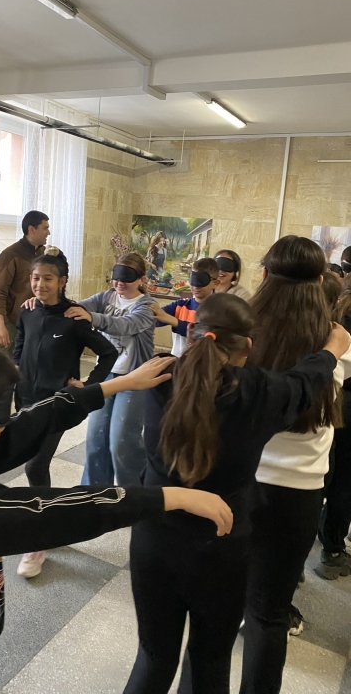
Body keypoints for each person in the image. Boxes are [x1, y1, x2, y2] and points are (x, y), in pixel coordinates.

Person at [0, 339, 234, 694]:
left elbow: (33, 420)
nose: (7, 418)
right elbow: (51, 511)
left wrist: (120, 383)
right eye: (0, 411)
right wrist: (167, 497)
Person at [123, 294, 349, 694]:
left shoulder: (160, 377)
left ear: (193, 333)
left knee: (153, 657)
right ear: (248, 346)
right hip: (221, 548)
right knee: (210, 660)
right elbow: (303, 383)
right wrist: (332, 350)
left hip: (153, 539)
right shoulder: (259, 393)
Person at [240, 236, 351, 694]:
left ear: (265, 275)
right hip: (298, 496)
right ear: (321, 281)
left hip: (236, 483)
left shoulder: (242, 333)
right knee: (269, 614)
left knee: (218, 603)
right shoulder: (337, 342)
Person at [13, 247, 118, 577]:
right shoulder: (28, 312)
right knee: (32, 463)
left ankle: (38, 538)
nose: (39, 284)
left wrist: (87, 385)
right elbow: (19, 347)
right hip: (26, 400)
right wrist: (14, 375)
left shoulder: (74, 318)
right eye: (35, 278)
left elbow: (108, 353)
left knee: (35, 464)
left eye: (47, 279)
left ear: (62, 281)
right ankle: (48, 518)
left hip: (58, 404)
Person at [65, 253, 156, 487]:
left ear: (142, 279)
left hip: (135, 379)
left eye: (127, 278)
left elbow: (125, 325)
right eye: (116, 277)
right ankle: (93, 493)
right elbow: (75, 307)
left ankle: (134, 495)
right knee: (95, 439)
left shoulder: (148, 307)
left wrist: (92, 318)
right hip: (106, 375)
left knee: (122, 443)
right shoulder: (106, 297)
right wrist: (42, 302)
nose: (119, 283)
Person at [317, 277, 351, 579]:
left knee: (325, 477)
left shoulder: (337, 314)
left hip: (331, 403)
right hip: (342, 403)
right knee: (343, 481)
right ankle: (332, 549)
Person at [0, 210, 49, 358]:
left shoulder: (43, 253)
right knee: (6, 367)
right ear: (31, 229)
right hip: (14, 323)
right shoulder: (10, 255)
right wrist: (0, 325)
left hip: (36, 321)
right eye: (45, 228)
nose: (48, 232)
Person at [150, 257, 219, 356]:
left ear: (215, 284)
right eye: (193, 280)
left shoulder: (218, 310)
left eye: (202, 282)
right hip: (177, 361)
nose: (196, 286)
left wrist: (171, 320)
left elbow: (200, 334)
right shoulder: (180, 305)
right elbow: (155, 319)